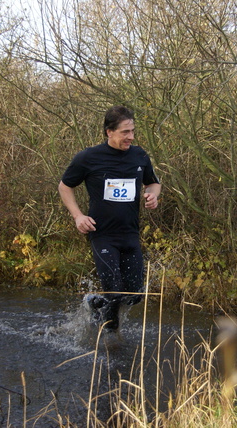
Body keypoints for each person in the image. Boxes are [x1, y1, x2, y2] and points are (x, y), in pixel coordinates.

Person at [58, 106, 161, 332]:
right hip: (102, 234)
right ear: (109, 132)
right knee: (114, 292)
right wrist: (78, 216)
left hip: (130, 233)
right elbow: (65, 187)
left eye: (133, 131)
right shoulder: (89, 157)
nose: (131, 137)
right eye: (125, 132)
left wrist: (153, 195)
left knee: (133, 295)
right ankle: (110, 343)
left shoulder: (139, 155)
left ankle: (95, 306)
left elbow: (153, 182)